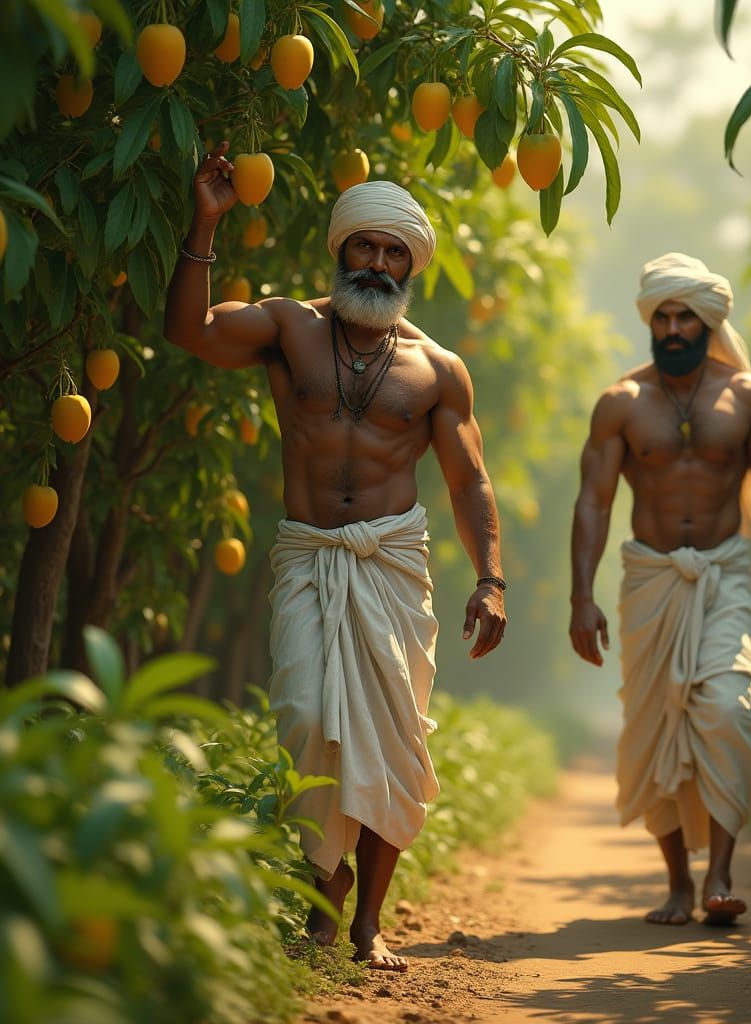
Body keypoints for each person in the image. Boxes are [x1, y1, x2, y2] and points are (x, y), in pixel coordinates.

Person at [164, 144, 507, 971]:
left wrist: (492, 578)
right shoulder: (290, 326)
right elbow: (191, 333)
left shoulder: (438, 369)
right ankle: (327, 879)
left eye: (396, 252)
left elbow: (468, 482)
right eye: (366, 246)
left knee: (393, 743)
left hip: (392, 562)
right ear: (341, 249)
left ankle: (362, 924)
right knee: (307, 720)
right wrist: (205, 221)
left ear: (411, 265)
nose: (380, 263)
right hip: (307, 554)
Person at [569, 252, 751, 927]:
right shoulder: (621, 403)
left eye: (685, 318)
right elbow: (593, 502)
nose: (672, 329)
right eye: (662, 316)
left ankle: (721, 874)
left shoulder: (749, 397)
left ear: (708, 323)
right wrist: (580, 595)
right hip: (652, 577)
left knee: (728, 708)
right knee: (655, 727)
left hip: (726, 572)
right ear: (650, 321)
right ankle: (677, 883)